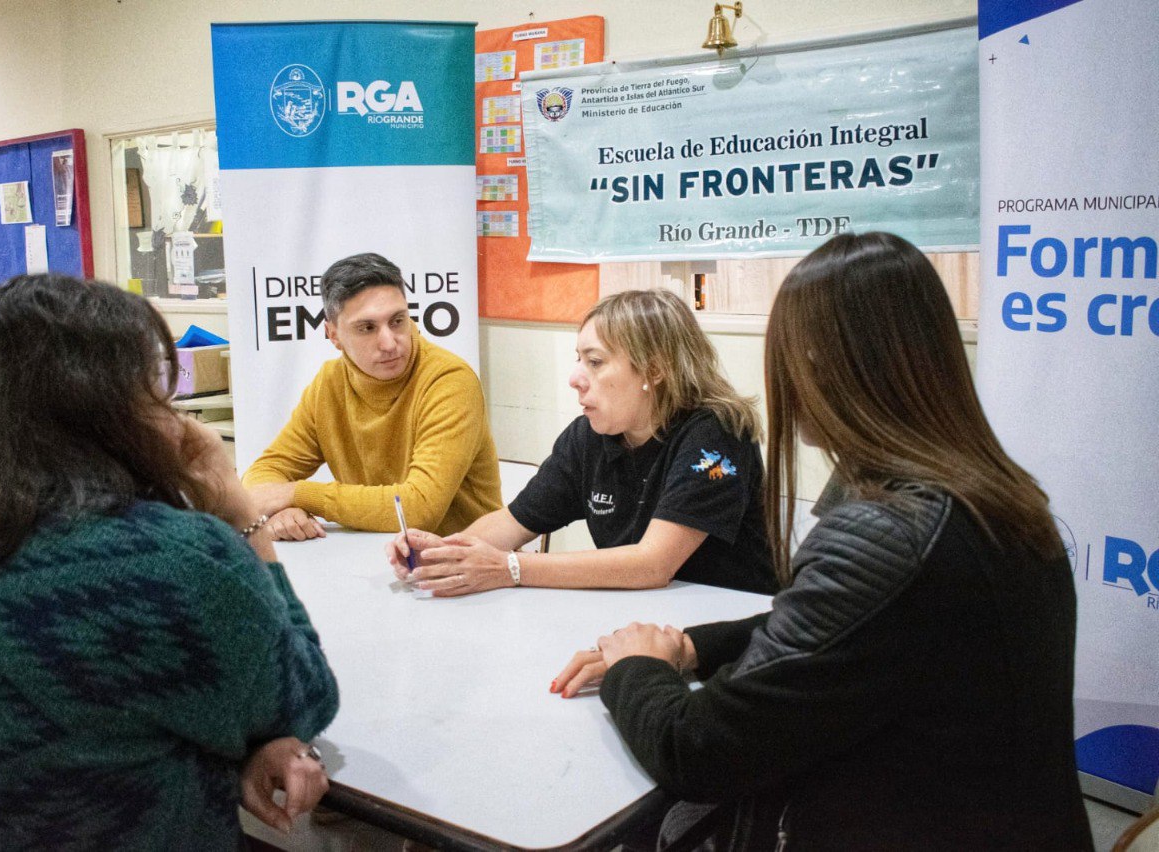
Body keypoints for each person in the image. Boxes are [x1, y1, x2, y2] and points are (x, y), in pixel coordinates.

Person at [552, 233, 1092, 851]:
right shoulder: (995, 496)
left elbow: (699, 750)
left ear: (819, 361)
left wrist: (636, 667)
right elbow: (834, 635)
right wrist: (689, 646)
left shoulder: (881, 534)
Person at [0, 274, 340, 849]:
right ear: (111, 405)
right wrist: (236, 507)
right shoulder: (170, 564)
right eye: (152, 384)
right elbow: (303, 695)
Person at [389, 288, 776, 596]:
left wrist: (510, 568)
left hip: (728, 633)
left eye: (595, 361)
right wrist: (439, 554)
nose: (575, 377)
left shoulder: (717, 434)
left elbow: (653, 565)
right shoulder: (588, 436)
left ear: (655, 369)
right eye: (579, 359)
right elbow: (513, 522)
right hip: (640, 620)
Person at [243, 252, 502, 541]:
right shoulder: (329, 382)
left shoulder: (449, 380)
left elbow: (417, 510)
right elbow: (264, 474)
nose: (389, 342)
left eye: (397, 321)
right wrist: (281, 511)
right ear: (333, 335)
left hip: (469, 564)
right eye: (367, 328)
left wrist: (296, 494)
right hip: (375, 559)